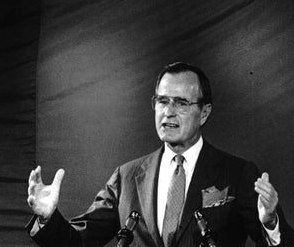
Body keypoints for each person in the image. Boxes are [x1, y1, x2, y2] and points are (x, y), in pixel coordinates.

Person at [26, 62, 291, 247]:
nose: (169, 112)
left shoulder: (239, 173)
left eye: (181, 103)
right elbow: (80, 242)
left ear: (205, 112)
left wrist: (270, 222)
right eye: (162, 101)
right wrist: (48, 217)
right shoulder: (127, 176)